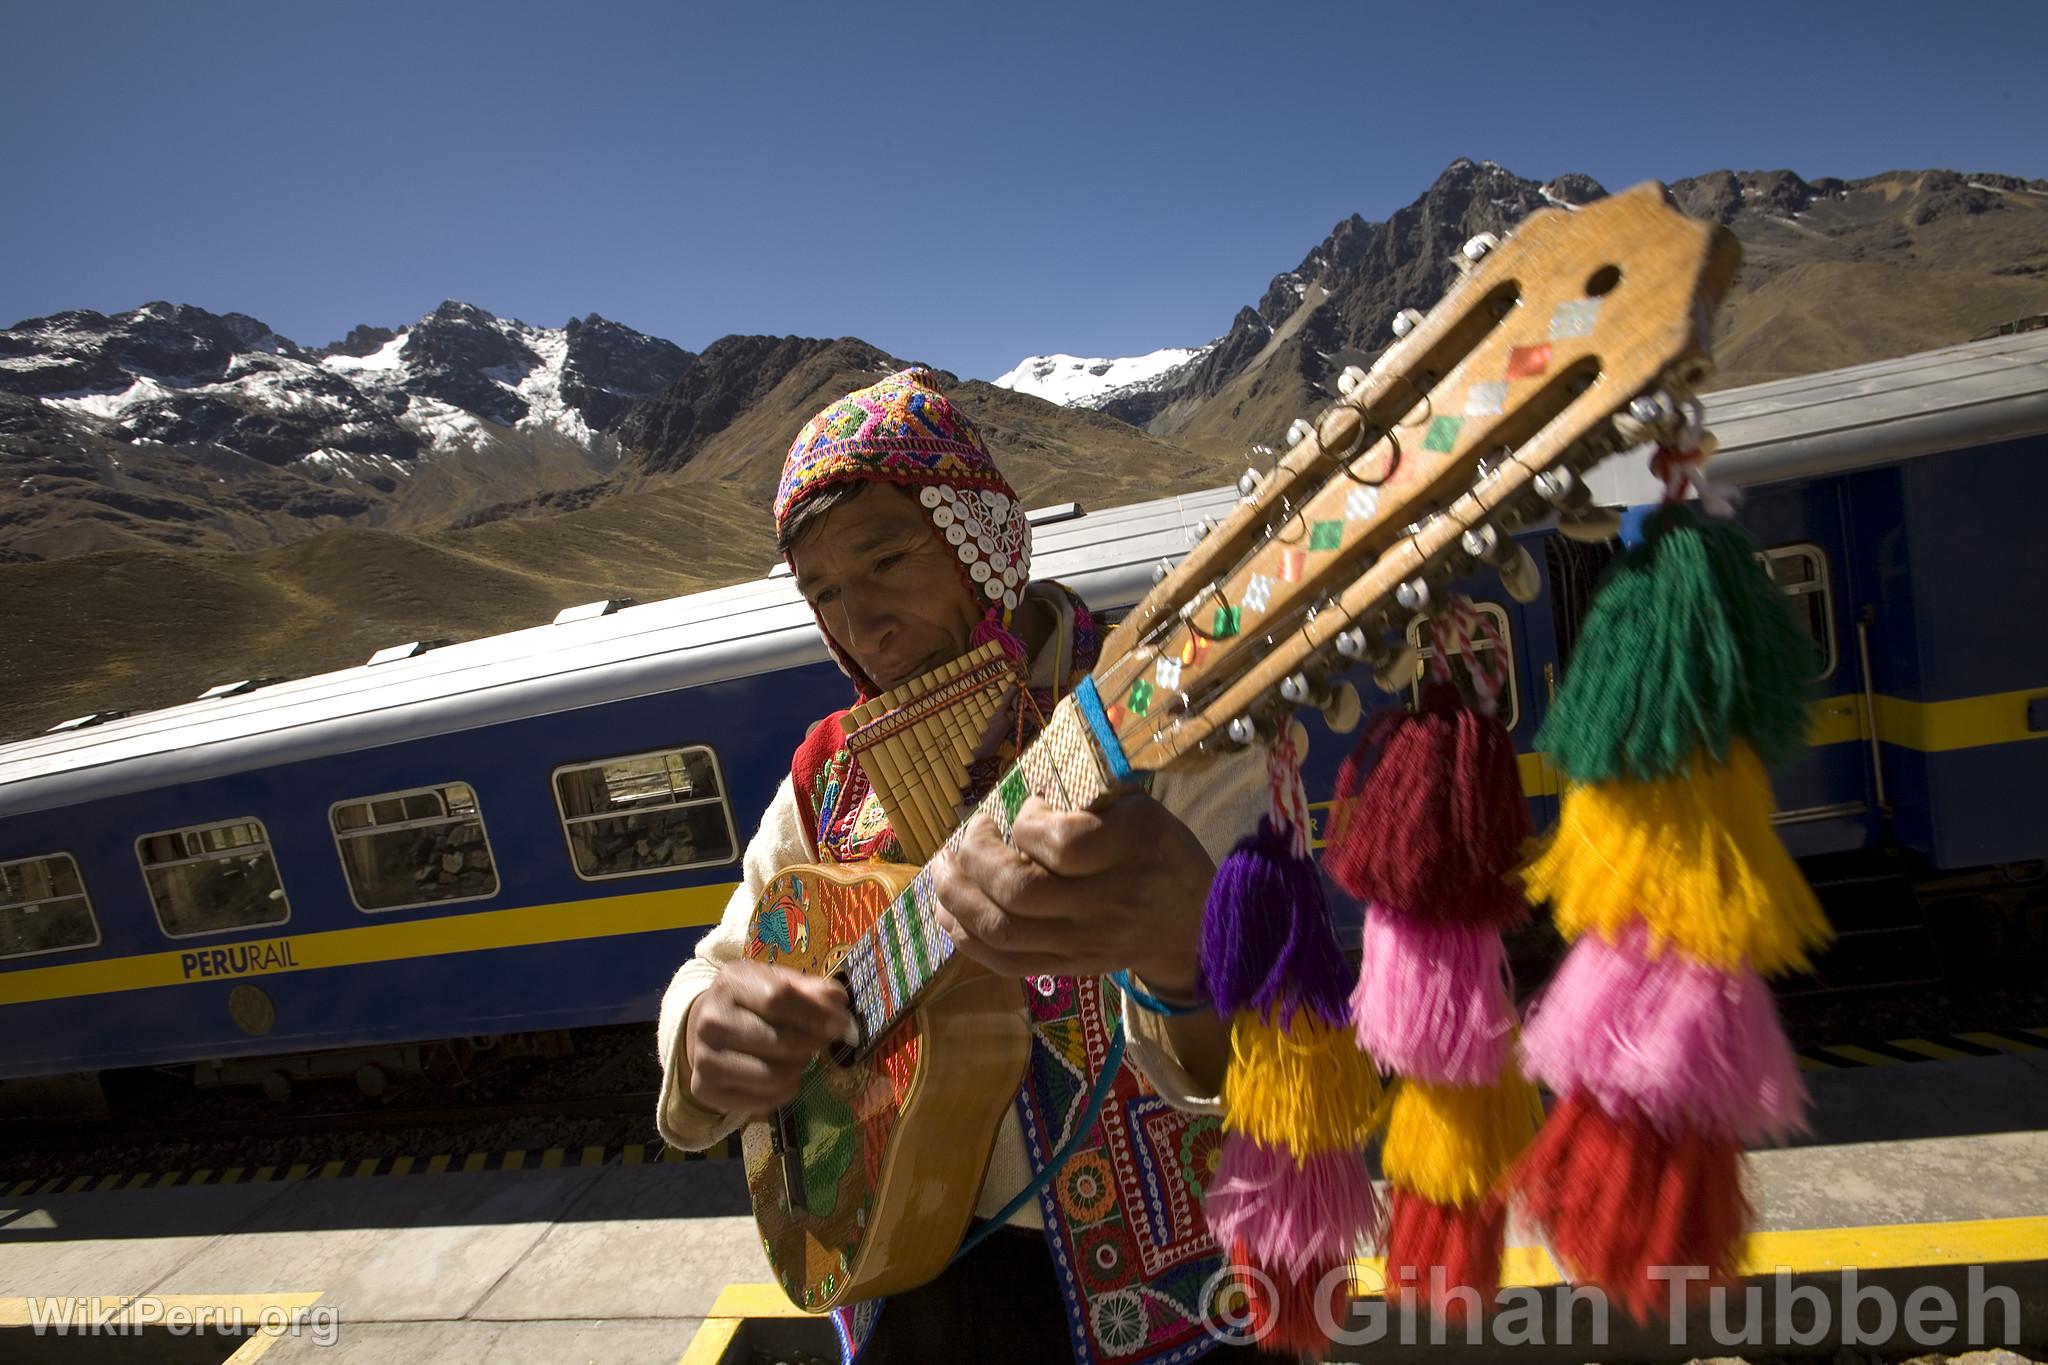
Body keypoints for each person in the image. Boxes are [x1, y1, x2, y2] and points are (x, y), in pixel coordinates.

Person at [655, 368, 1299, 1364]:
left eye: (887, 560)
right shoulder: (826, 776)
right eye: (824, 592)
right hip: (907, 1287)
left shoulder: (1168, 723)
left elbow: (1280, 1055)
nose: (860, 627)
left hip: (1166, 1300)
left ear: (981, 542)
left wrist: (1191, 956)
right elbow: (719, 962)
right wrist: (703, 1030)